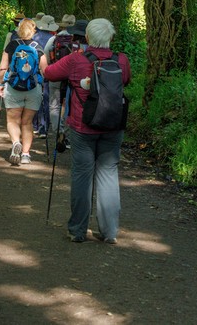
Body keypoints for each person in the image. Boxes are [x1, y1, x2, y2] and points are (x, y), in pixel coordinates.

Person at [41, 18, 130, 244]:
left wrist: (43, 60)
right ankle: (109, 232)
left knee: (82, 175)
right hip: (113, 125)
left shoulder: (75, 59)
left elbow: (49, 74)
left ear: (88, 37)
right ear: (110, 38)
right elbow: (126, 81)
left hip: (83, 127)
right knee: (109, 174)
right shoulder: (121, 60)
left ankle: (77, 230)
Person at [0, 17, 48, 165]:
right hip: (33, 88)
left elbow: (3, 67)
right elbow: (45, 71)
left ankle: (15, 143)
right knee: (27, 122)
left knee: (12, 120)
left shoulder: (12, 45)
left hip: (13, 87)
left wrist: (1, 83)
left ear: (19, 30)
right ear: (34, 30)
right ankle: (25, 154)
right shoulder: (38, 47)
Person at [43, 14, 78, 148]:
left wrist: (48, 72)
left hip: (56, 75)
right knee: (70, 106)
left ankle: (58, 132)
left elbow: (46, 56)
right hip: (73, 77)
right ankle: (67, 136)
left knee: (54, 106)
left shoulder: (54, 39)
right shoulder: (77, 41)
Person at [31, 15, 59, 139]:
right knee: (46, 99)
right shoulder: (54, 39)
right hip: (48, 71)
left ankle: (35, 125)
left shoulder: (34, 37)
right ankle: (44, 126)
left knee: (36, 98)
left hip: (34, 72)